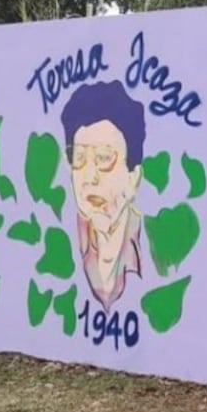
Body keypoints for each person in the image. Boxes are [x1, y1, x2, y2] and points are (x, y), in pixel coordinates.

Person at [60, 80, 146, 311]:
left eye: (104, 159)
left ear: (133, 177)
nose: (90, 177)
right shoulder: (62, 246)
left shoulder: (151, 251)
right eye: (79, 158)